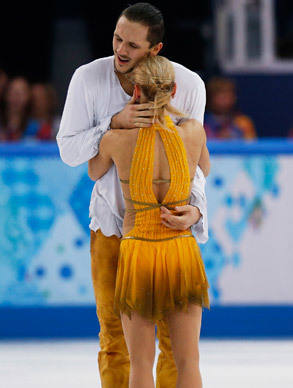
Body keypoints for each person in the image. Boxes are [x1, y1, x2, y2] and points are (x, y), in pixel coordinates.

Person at [57, 3, 208, 387]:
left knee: (165, 350)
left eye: (132, 45)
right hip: (114, 230)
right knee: (116, 340)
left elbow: (195, 177)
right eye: (117, 38)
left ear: (154, 50)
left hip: (151, 235)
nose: (120, 51)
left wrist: (195, 210)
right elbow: (68, 150)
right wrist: (113, 121)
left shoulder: (192, 85)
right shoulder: (88, 79)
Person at [88, 55, 210, 388]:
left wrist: (115, 123)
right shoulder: (194, 132)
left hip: (138, 251)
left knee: (140, 364)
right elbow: (204, 170)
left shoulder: (117, 140)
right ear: (173, 90)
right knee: (188, 360)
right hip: (180, 250)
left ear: (136, 91)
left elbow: (93, 171)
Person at [0, 76, 32, 142]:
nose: (16, 97)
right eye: (12, 92)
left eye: (21, 93)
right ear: (6, 95)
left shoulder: (38, 128)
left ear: (29, 96)